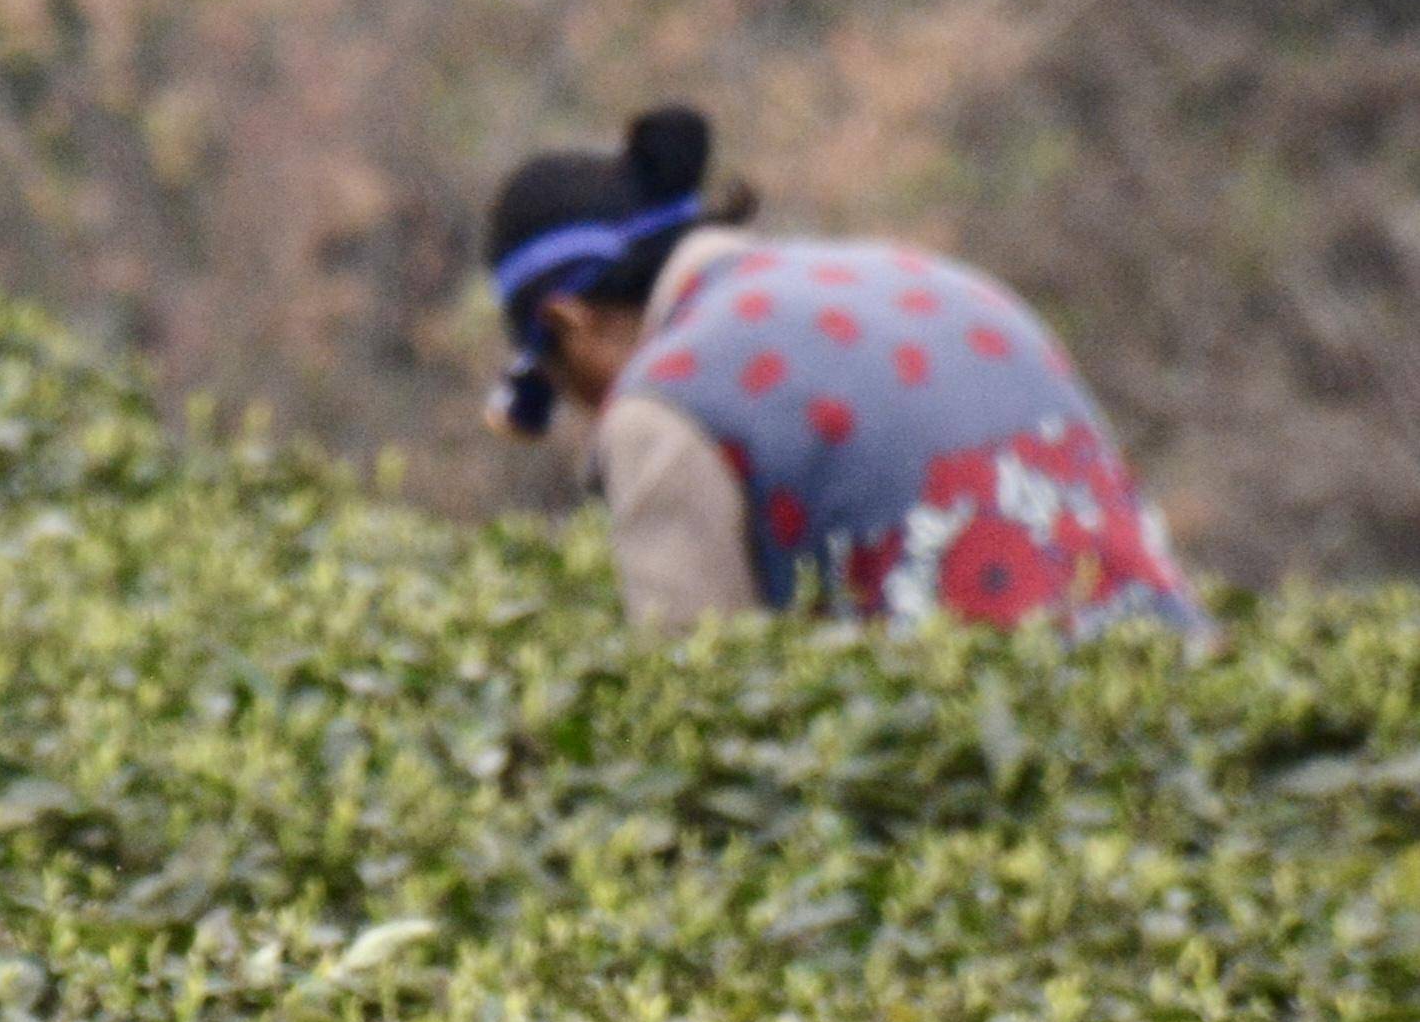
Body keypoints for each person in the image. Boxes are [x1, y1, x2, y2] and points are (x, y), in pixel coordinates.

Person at [482, 106, 1200, 636]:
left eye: (563, 383)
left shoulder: (665, 402)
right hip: (1178, 707)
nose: (588, 417)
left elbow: (701, 705)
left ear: (571, 323)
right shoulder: (942, 281)